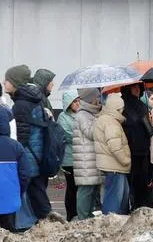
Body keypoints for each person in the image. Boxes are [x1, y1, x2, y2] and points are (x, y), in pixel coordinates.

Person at [9, 69, 51, 226]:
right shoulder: (36, 101)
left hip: (28, 156)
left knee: (30, 191)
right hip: (37, 155)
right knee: (37, 191)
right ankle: (46, 221)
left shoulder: (19, 105)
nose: (3, 83)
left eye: (7, 80)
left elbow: (20, 135)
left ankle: (30, 223)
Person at [94, 93, 131, 215]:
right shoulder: (111, 122)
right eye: (122, 108)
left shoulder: (105, 119)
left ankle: (115, 223)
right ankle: (110, 225)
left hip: (112, 166)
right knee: (115, 199)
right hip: (115, 166)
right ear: (118, 108)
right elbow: (115, 146)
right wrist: (125, 160)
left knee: (119, 196)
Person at [118, 85, 153, 210]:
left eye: (139, 87)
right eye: (134, 87)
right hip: (128, 150)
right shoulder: (122, 105)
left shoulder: (142, 105)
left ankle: (140, 208)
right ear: (127, 89)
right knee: (127, 185)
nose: (137, 89)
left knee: (141, 184)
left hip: (143, 150)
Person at [73, 88, 103, 220]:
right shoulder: (83, 114)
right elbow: (91, 133)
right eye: (97, 97)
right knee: (86, 191)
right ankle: (82, 219)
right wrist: (100, 121)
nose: (99, 100)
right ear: (92, 98)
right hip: (85, 161)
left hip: (90, 160)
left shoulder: (91, 114)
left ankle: (88, 218)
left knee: (92, 191)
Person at [57, 90, 80, 221]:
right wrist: (81, 135)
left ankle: (77, 213)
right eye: (75, 101)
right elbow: (67, 134)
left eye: (78, 100)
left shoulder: (80, 115)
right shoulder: (62, 117)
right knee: (71, 188)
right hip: (69, 159)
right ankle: (71, 215)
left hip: (79, 157)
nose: (78, 103)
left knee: (79, 188)